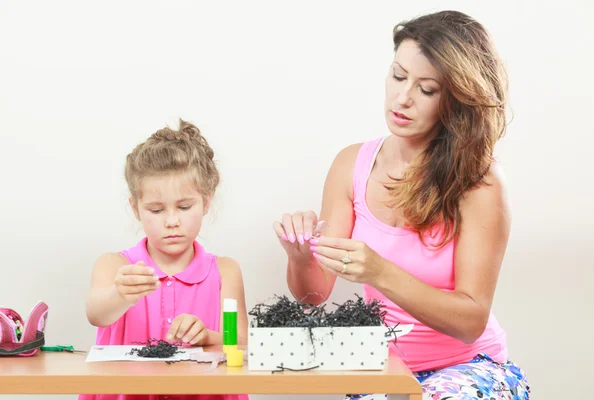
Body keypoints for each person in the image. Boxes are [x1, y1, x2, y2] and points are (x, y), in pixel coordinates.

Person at [273, 10, 530, 400]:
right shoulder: (351, 165)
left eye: (426, 89)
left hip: (469, 369)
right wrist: (300, 256)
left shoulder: (480, 183)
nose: (403, 98)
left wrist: (379, 271)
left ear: (456, 99)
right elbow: (316, 294)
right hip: (384, 372)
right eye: (397, 76)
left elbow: (471, 320)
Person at [81, 119, 249, 400]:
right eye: (156, 210)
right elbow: (96, 314)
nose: (172, 221)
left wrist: (208, 337)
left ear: (207, 202)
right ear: (135, 208)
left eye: (184, 207)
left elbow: (242, 346)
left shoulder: (224, 271)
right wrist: (120, 294)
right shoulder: (115, 266)